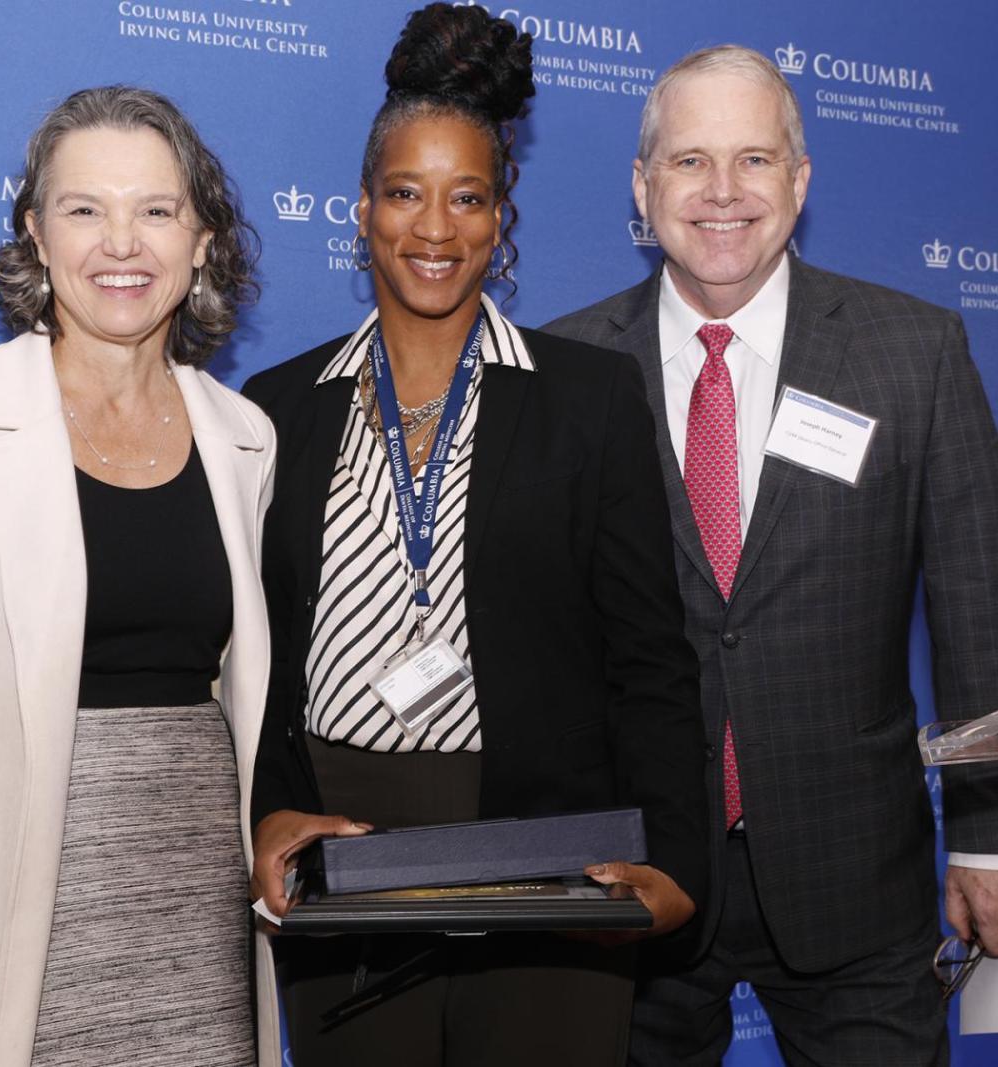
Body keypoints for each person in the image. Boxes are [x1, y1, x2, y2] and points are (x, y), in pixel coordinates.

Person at [546, 45, 998, 1067]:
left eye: (754, 160)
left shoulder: (914, 350)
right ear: (642, 189)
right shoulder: (564, 369)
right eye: (688, 162)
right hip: (631, 886)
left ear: (800, 180)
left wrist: (996, 838)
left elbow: (982, 610)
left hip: (856, 879)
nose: (722, 192)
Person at [242, 5, 708, 1064]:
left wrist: (676, 858)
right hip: (342, 852)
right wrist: (270, 812)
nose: (434, 228)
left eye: (467, 197)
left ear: (501, 219)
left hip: (545, 850)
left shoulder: (588, 398)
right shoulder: (274, 409)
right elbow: (255, 658)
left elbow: (651, 657)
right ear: (361, 209)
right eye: (405, 192)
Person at [0, 86, 279, 1066]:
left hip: (200, 890)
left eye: (156, 210)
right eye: (85, 209)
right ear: (35, 233)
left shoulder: (246, 437)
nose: (123, 243)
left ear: (202, 239)